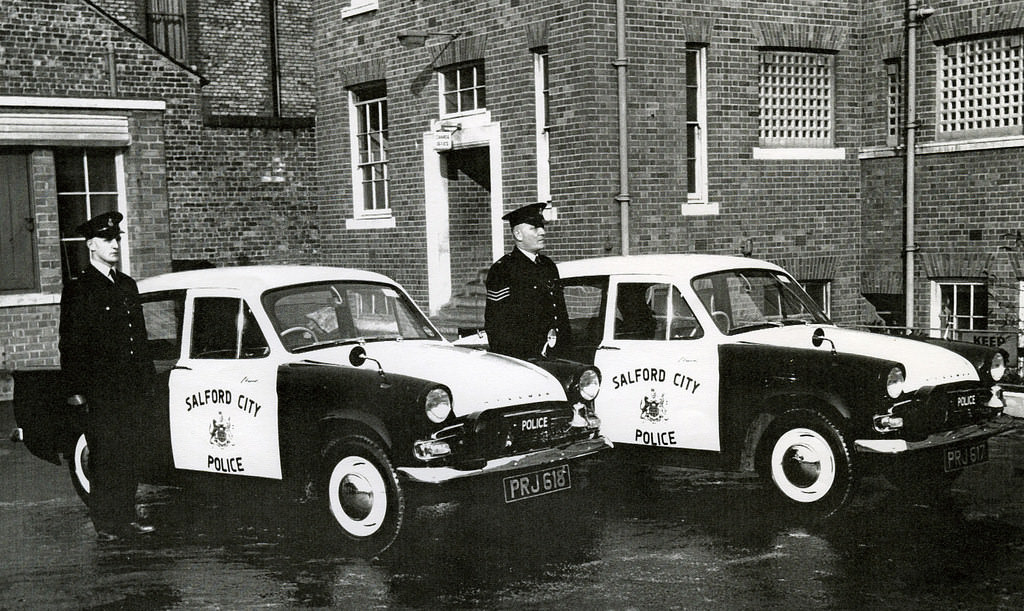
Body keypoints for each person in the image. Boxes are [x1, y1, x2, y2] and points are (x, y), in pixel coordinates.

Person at [58, 211, 156, 541]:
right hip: (101, 391)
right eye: (107, 240)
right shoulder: (80, 289)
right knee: (105, 455)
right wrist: (76, 391)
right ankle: (106, 523)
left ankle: (126, 517)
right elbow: (69, 343)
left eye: (117, 239)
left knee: (129, 453)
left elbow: (138, 340)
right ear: (91, 245)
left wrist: (148, 383)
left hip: (131, 389)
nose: (115, 245)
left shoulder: (127, 285)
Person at [485, 202, 571, 360]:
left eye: (542, 227)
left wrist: (566, 350)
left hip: (556, 355)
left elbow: (559, 313)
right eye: (534, 228)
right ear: (518, 234)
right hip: (524, 359)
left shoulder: (548, 265)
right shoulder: (503, 270)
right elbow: (496, 325)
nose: (542, 232)